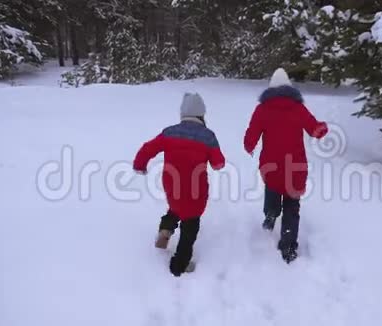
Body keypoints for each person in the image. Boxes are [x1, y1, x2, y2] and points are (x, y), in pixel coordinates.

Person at [133, 93, 225, 276]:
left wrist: (140, 165)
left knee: (176, 207)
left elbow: (147, 148)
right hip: (195, 188)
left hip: (171, 183)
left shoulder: (169, 132)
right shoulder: (208, 136)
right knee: (190, 223)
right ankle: (179, 265)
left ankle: (165, 230)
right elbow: (218, 163)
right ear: (201, 115)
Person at [244, 68, 328, 263]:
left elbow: (252, 132)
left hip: (271, 165)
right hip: (295, 166)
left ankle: (271, 215)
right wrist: (323, 128)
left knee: (272, 190)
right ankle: (288, 245)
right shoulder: (298, 108)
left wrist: (249, 145)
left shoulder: (262, 109)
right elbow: (314, 129)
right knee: (292, 204)